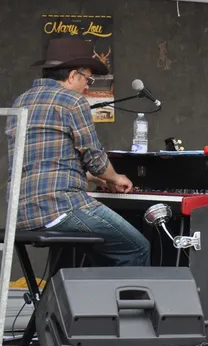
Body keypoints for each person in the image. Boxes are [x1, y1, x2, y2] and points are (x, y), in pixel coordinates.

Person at [5, 37, 150, 268]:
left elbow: (51, 164)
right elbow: (96, 159)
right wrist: (115, 177)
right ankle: (127, 304)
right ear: (73, 75)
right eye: (88, 78)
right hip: (62, 207)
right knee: (136, 246)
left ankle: (87, 301)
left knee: (98, 251)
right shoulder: (72, 101)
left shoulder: (21, 101)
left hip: (22, 213)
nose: (88, 86)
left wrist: (99, 179)